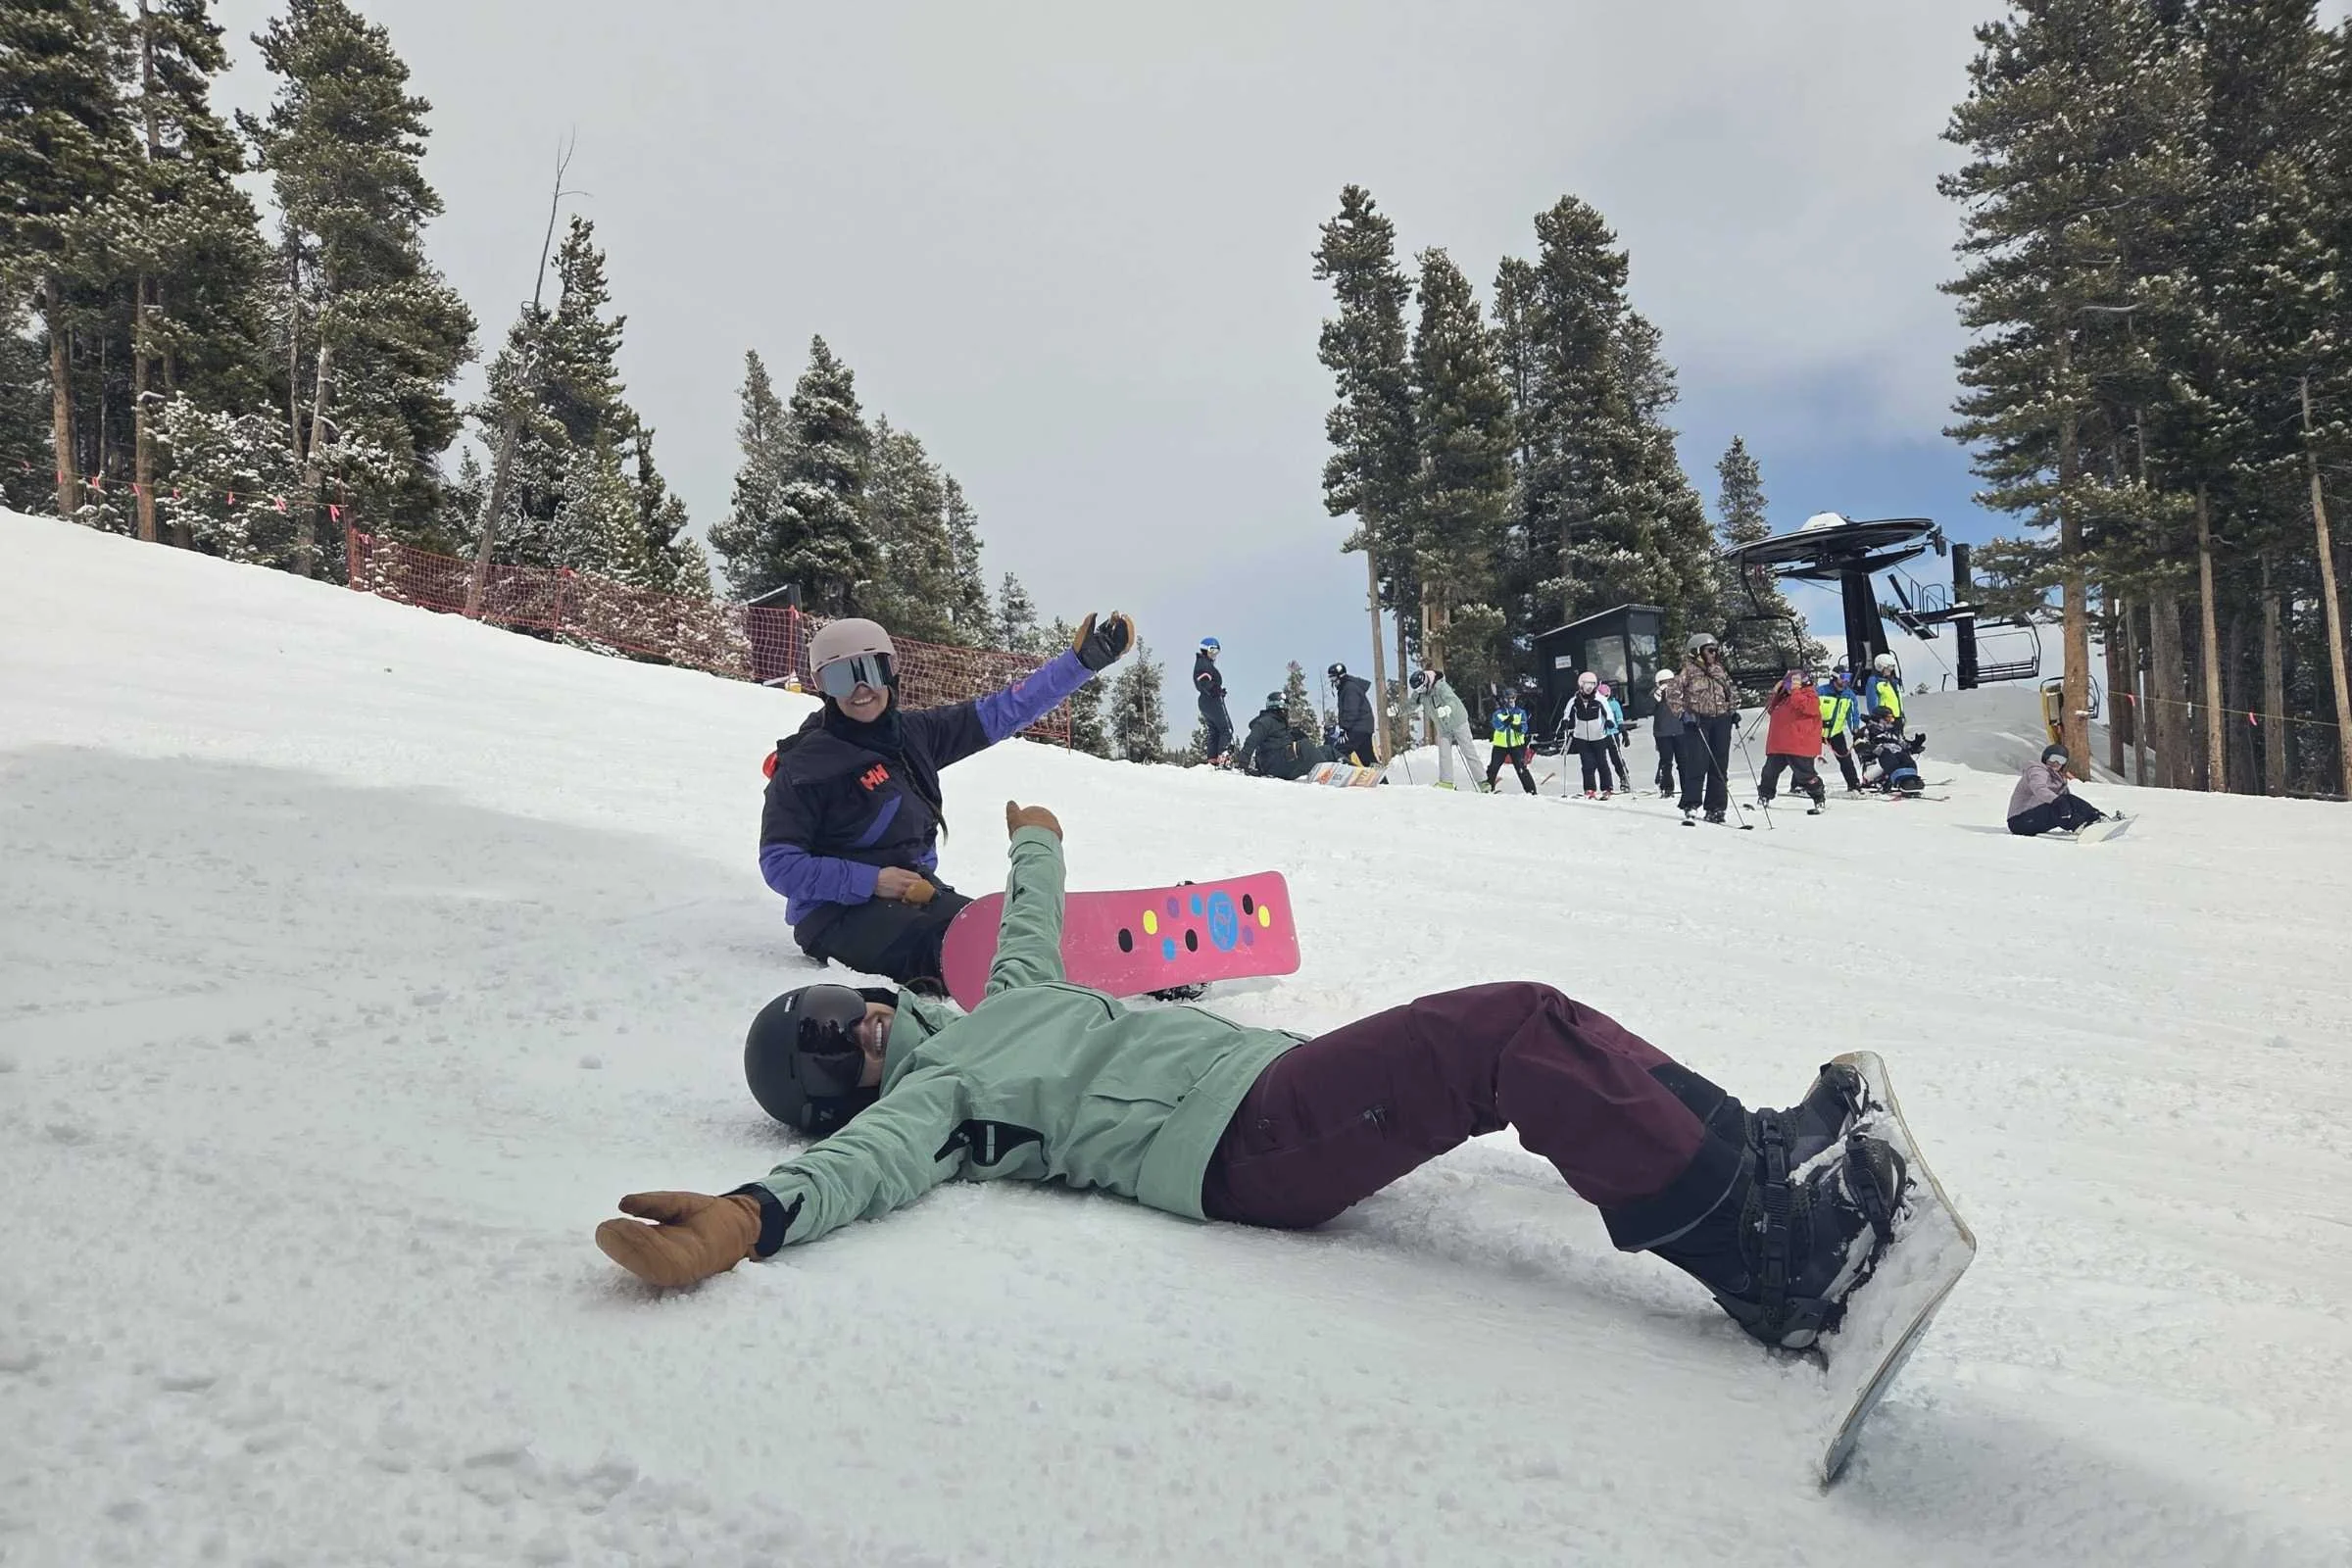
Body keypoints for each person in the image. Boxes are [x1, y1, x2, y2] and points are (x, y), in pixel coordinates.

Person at [595, 800, 1909, 1359]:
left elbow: (1034, 913)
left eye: (840, 1015)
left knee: (1538, 1018)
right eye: (830, 1055)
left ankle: (1752, 1154)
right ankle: (1766, 1261)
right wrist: (751, 1216)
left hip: (1268, 1090)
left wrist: (1039, 837)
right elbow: (854, 1173)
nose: (858, 1037)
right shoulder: (932, 1110)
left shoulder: (1011, 998)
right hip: (1241, 1146)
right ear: (838, 1094)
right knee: (1500, 1032)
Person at [760, 612, 1134, 991]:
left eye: (871, 669)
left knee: (1005, 928)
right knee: (959, 952)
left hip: (915, 893)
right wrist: (873, 881)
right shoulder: (805, 767)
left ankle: (1128, 969)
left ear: (891, 671)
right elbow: (780, 865)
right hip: (833, 915)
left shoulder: (915, 735)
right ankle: (1055, 993)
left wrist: (1080, 664)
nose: (860, 689)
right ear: (824, 687)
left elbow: (1004, 711)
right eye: (841, 677)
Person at [1671, 633, 1740, 824]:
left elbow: (1729, 691)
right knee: (1698, 762)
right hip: (1698, 721)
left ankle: (1716, 808)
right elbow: (1672, 693)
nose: (1714, 653)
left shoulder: (1719, 670)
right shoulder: (1687, 671)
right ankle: (1691, 804)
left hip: (1721, 721)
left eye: (1715, 650)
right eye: (1710, 650)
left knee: (1719, 765)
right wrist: (1683, 714)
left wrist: (1732, 710)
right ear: (1697, 652)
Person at [1757, 669, 1828, 815]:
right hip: (1779, 744)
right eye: (1787, 684)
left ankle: (1818, 798)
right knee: (1769, 772)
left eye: (1791, 684)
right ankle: (1764, 797)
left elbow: (1806, 707)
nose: (1789, 687)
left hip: (1799, 744)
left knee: (1806, 776)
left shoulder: (1810, 695)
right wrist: (1775, 692)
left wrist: (1795, 691)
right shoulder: (1785, 697)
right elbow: (1770, 709)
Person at [1407, 668, 1488, 792]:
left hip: (1458, 721)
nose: (1419, 691)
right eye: (1417, 690)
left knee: (1468, 751)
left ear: (1425, 682)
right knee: (1444, 753)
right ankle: (1446, 782)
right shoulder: (1420, 693)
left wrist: (1447, 708)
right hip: (1443, 727)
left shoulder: (1440, 686)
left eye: (1420, 688)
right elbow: (1411, 705)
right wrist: (1398, 711)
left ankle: (1483, 782)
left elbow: (1452, 700)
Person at [2007, 744, 2114, 835]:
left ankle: (2098, 818)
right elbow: (2039, 788)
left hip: (2034, 818)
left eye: (2061, 760)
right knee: (2057, 806)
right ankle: (2081, 827)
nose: (2056, 763)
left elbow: (2070, 801)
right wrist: (2058, 801)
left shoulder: (2058, 778)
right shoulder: (2037, 771)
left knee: (2069, 800)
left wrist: (2068, 805)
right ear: (2046, 758)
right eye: (2053, 758)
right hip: (2019, 821)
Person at [1238, 692, 1320, 781]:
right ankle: (1325, 773)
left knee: (1327, 750)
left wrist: (1297, 735)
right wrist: (1243, 763)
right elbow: (1252, 740)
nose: (1287, 712)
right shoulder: (1265, 721)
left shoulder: (1282, 724)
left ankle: (1335, 772)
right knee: (1305, 745)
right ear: (1279, 708)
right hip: (1273, 765)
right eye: (1286, 708)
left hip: (1284, 762)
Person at [1562, 671, 1614, 799]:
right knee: (1587, 764)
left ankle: (1607, 788)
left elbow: (1608, 712)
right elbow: (1567, 712)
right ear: (1581, 685)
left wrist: (1609, 721)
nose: (1589, 688)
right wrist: (1566, 721)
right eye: (1586, 685)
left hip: (1598, 736)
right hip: (1581, 737)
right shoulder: (1574, 700)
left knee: (1602, 762)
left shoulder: (1599, 699)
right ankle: (1589, 789)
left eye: (1592, 685)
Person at [1857, 707, 1927, 797]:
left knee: (1903, 755)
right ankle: (1901, 781)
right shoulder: (1867, 730)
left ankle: (1911, 780)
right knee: (1887, 753)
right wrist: (1876, 749)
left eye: (1892, 718)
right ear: (1879, 718)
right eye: (1888, 718)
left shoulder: (1892, 732)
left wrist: (1915, 744)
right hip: (1873, 766)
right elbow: (1859, 746)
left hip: (1890, 764)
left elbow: (1904, 745)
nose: (1891, 720)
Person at [1816, 668, 1865, 795]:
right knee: (1805, 758)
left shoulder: (1848, 695)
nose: (1845, 681)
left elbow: (1853, 713)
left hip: (1835, 732)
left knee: (1845, 758)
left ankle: (1853, 784)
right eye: (1843, 677)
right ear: (1834, 678)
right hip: (1817, 731)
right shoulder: (1821, 691)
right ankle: (1798, 784)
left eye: (1848, 677)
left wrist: (1855, 728)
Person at [1487, 686, 1540, 794]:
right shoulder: (1498, 713)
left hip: (1516, 745)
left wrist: (1516, 727)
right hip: (1500, 745)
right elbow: (1497, 726)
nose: (1511, 700)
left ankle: (1532, 791)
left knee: (1521, 769)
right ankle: (1488, 788)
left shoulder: (1520, 712)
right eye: (1508, 698)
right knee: (1493, 767)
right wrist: (1506, 722)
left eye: (1513, 698)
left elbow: (1524, 728)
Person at [1194, 638, 1233, 767]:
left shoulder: (1204, 663)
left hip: (1206, 700)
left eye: (1217, 651)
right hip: (1210, 700)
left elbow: (1205, 682)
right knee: (1226, 729)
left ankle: (1213, 760)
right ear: (1205, 649)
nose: (1215, 654)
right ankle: (1224, 758)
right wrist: (1213, 689)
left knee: (1214, 730)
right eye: (1212, 650)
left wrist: (1218, 690)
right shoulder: (1203, 663)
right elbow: (1202, 680)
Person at [1328, 662, 1376, 766]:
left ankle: (1344, 774)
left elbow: (1351, 710)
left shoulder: (1349, 688)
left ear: (1340, 676)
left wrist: (1344, 729)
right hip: (1363, 728)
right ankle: (1381, 780)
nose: (1332, 682)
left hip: (1357, 728)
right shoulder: (1348, 687)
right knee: (1367, 757)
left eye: (1333, 678)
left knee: (1339, 750)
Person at [1650, 669, 1685, 798]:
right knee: (1666, 761)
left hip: (1679, 730)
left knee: (1683, 761)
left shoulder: (1679, 694)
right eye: (1664, 683)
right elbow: (1648, 708)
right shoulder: (1655, 696)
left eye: (1670, 682)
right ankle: (1667, 787)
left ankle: (1686, 786)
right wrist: (1658, 697)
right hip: (1662, 733)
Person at [1597, 680, 1636, 793]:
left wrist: (1623, 732)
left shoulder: (1614, 704)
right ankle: (1606, 784)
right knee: (1601, 760)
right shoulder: (1597, 704)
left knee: (1616, 757)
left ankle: (1624, 777)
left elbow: (1619, 717)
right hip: (1600, 735)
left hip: (1612, 733)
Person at [1860, 653, 1905, 728]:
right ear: (1881, 667)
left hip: (1896, 719)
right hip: (1885, 720)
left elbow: (1897, 700)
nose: (1891, 670)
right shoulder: (1874, 681)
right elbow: (1872, 703)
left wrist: (1901, 714)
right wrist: (1876, 719)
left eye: (1892, 667)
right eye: (1889, 667)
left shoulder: (1892, 681)